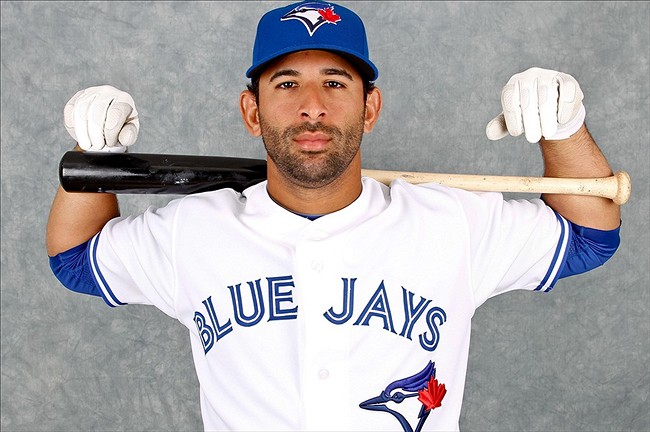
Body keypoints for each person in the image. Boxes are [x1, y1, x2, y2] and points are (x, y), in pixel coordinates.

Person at [46, 1, 622, 431]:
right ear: (252, 111)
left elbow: (588, 237)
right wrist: (96, 159)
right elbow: (76, 258)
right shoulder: (193, 231)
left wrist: (563, 129)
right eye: (287, 83)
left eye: (335, 82)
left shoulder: (450, 222)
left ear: (370, 107)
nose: (312, 106)